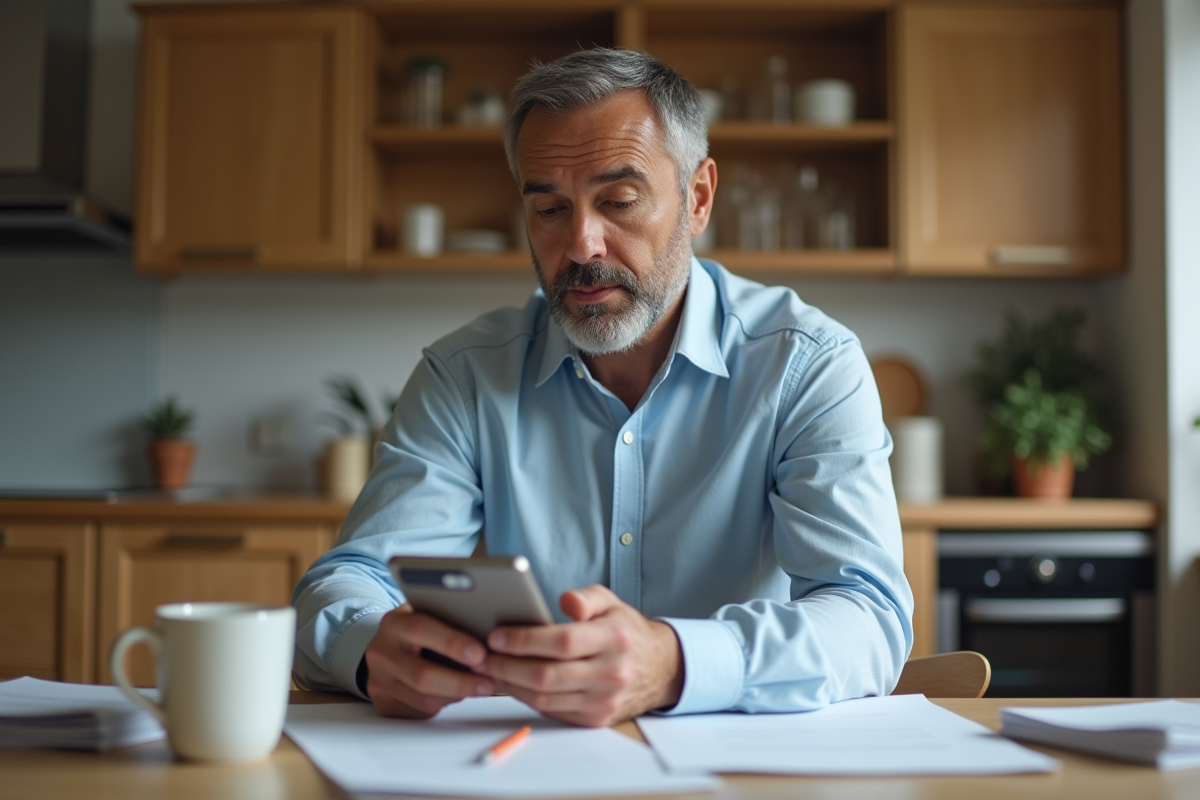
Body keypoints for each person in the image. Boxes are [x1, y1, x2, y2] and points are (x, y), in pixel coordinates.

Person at [292, 48, 912, 727]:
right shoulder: (465, 376)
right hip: (528, 757)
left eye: (618, 201)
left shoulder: (808, 365)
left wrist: (674, 663)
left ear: (698, 198)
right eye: (550, 208)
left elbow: (869, 616)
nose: (582, 245)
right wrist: (371, 649)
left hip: (738, 763)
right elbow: (348, 582)